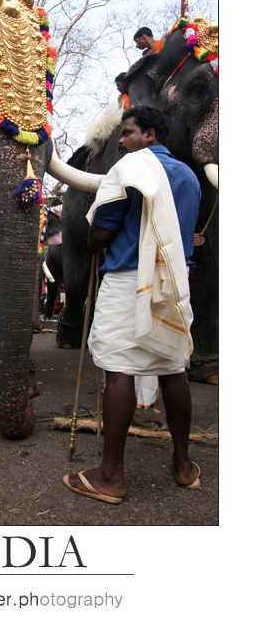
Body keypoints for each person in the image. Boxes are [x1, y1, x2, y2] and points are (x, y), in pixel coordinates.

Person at [63, 105, 201, 504]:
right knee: (173, 367)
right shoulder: (190, 177)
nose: (121, 141)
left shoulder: (127, 170)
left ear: (150, 135)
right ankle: (183, 465)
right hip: (175, 283)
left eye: (127, 133)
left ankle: (110, 476)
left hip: (128, 281)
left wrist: (92, 239)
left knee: (120, 367)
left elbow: (101, 232)